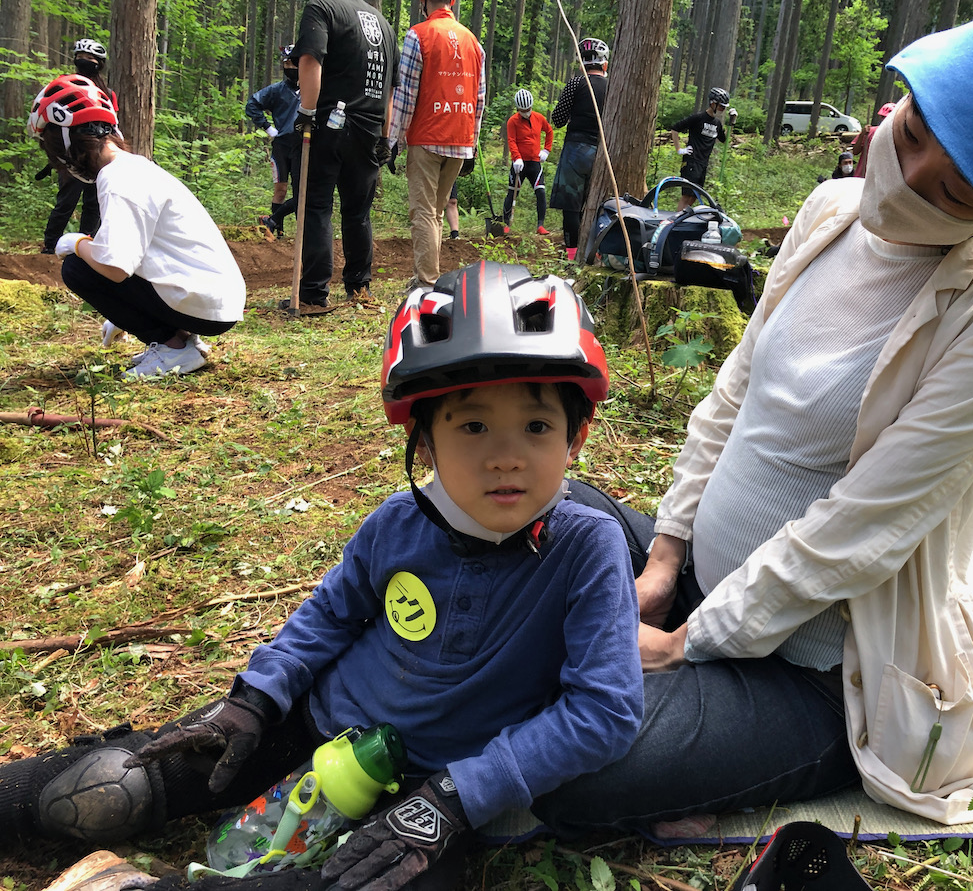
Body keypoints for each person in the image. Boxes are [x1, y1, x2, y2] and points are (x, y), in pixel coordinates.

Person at [532, 0, 973, 833]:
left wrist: (686, 645)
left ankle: (716, 750)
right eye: (910, 135)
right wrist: (666, 558)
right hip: (696, 579)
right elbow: (736, 392)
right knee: (522, 506)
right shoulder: (832, 212)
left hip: (810, 668)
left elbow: (862, 529)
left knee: (575, 770)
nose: (914, 178)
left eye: (960, 188)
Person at [0, 261, 643, 891]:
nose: (507, 456)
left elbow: (605, 709)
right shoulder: (396, 524)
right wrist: (255, 699)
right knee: (108, 787)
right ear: (424, 442)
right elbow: (331, 614)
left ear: (576, 437)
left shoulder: (588, 549)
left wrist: (456, 797)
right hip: (315, 722)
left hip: (434, 787)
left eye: (537, 426)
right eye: (472, 425)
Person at [29, 75, 245, 381]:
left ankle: (174, 348)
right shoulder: (135, 167)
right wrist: (124, 314)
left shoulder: (117, 180)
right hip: (216, 301)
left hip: (205, 304)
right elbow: (134, 249)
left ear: (67, 140)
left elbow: (114, 267)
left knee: (76, 268)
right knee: (89, 255)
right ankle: (182, 339)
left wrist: (75, 244)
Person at [290, 0, 400, 309]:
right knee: (357, 212)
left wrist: (307, 112)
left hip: (327, 123)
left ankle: (312, 293)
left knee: (316, 207)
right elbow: (388, 88)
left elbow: (311, 58)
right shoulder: (384, 23)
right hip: (369, 129)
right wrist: (384, 137)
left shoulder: (322, 7)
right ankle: (358, 286)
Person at [388, 0, 485, 289]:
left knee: (423, 212)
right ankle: (429, 274)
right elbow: (479, 99)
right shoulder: (473, 42)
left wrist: (393, 140)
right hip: (459, 137)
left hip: (427, 137)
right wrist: (472, 144)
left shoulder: (418, 36)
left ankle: (428, 282)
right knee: (438, 211)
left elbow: (405, 95)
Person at [39, 40, 114, 256]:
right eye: (81, 56)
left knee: (93, 202)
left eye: (91, 58)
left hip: (98, 155)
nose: (85, 61)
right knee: (66, 201)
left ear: (99, 63)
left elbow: (112, 123)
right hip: (71, 154)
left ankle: (86, 242)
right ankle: (50, 245)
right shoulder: (65, 86)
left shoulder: (107, 93)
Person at [549, 37, 608, 261]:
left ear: (583, 62)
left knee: (571, 206)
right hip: (601, 151)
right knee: (597, 204)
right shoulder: (612, 86)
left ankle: (572, 256)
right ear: (604, 63)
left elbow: (558, 119)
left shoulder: (576, 83)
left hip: (575, 149)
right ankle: (596, 254)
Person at [246, 45, 302, 239]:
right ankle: (277, 233)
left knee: (302, 192)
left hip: (304, 145)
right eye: (286, 63)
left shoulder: (312, 89)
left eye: (292, 63)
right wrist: (268, 127)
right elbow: (252, 104)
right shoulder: (277, 90)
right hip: (281, 145)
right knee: (280, 189)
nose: (289, 67)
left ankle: (272, 220)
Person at [502, 88, 553, 235]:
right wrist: (516, 157)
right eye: (523, 110)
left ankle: (540, 225)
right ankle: (506, 225)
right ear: (518, 109)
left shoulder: (539, 118)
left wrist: (546, 150)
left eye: (528, 109)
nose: (526, 112)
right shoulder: (513, 121)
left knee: (541, 192)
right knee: (512, 193)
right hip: (519, 164)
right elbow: (511, 140)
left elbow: (549, 132)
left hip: (535, 163)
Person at [670, 87, 729, 208]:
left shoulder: (717, 123)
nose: (723, 109)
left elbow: (724, 139)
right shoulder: (698, 118)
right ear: (713, 103)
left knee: (695, 196)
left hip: (703, 163)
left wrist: (731, 122)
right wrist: (679, 149)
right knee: (686, 195)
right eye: (721, 106)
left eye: (724, 107)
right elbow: (675, 128)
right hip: (692, 161)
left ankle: (683, 218)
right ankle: (676, 222)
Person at [851, 102, 895, 178]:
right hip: (863, 175)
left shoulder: (896, 136)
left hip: (882, 178)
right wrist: (862, 135)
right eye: (883, 117)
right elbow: (855, 151)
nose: (885, 120)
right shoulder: (869, 132)